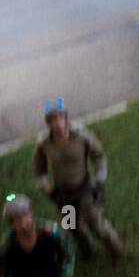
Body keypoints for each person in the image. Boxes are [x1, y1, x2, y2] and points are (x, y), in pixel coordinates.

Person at [32, 100, 123, 260]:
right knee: (72, 227)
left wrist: (100, 183)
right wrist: (51, 192)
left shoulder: (82, 135)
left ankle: (114, 245)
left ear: (66, 118)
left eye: (61, 117)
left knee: (96, 224)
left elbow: (99, 157)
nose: (58, 124)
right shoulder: (43, 144)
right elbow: (39, 173)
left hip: (84, 191)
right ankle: (86, 250)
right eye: (53, 120)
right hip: (63, 196)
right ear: (48, 123)